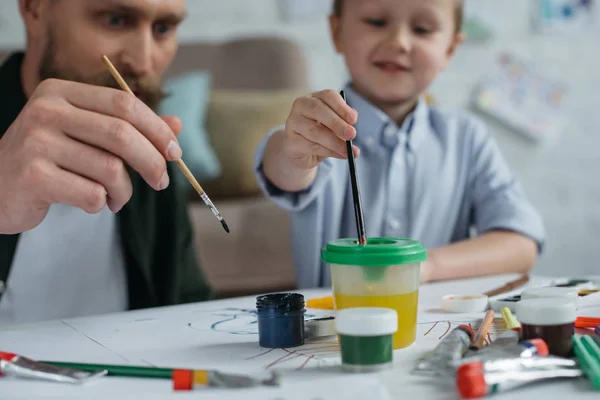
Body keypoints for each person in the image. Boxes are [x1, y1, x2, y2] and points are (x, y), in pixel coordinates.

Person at [254, 0, 546, 289]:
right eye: (376, 22)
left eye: (422, 28)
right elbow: (284, 166)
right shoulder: (313, 132)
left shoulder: (468, 138)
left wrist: (424, 265)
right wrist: (294, 154)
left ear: (450, 50)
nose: (399, 42)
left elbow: (521, 244)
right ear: (336, 31)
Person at [0, 0, 213, 324]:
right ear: (35, 9)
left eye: (163, 29)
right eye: (115, 20)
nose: (143, 62)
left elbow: (188, 311)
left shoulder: (151, 157)